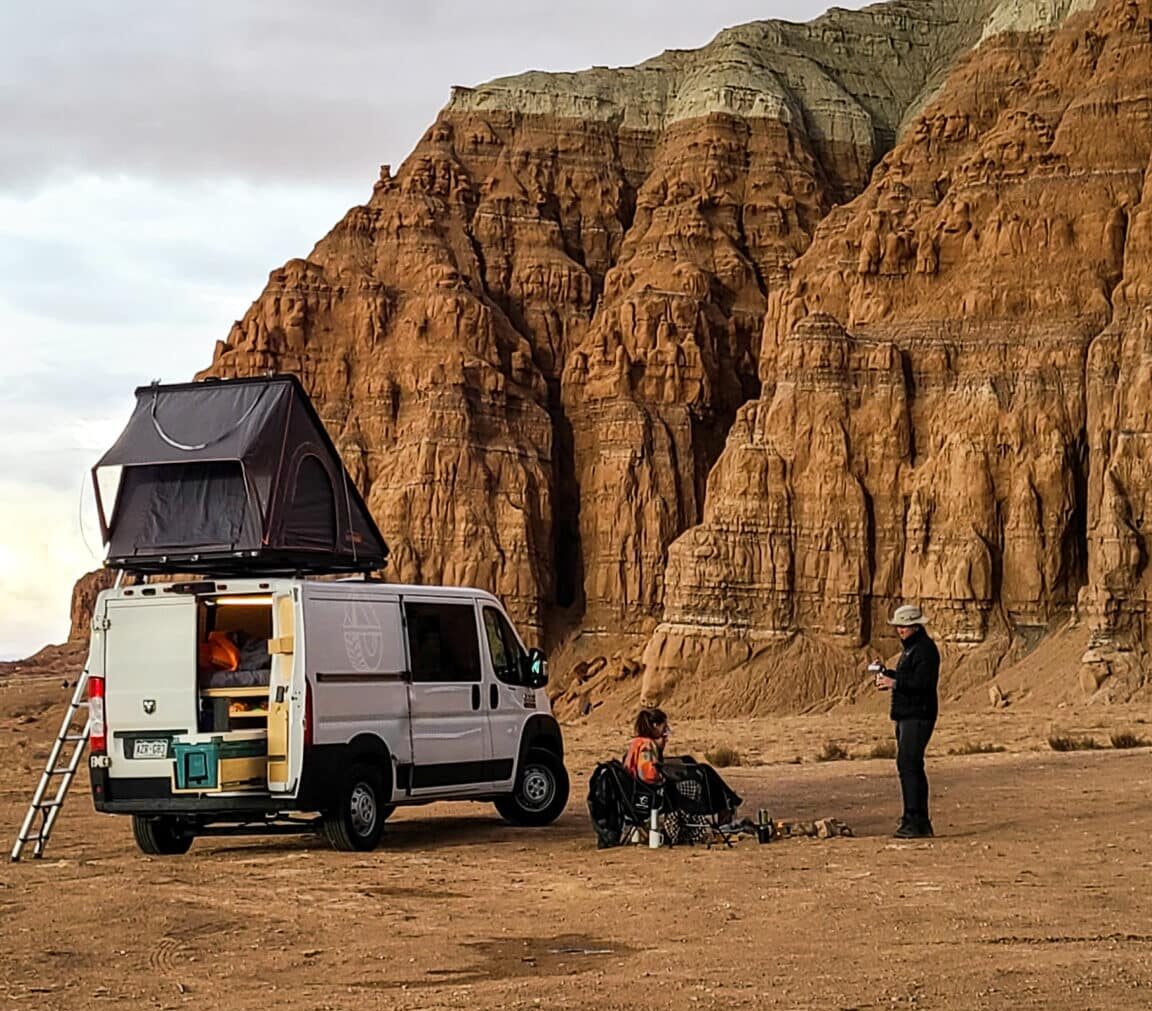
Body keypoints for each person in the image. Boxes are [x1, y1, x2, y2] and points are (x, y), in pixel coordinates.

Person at [871, 604, 940, 838]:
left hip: (918, 715)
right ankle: (917, 821)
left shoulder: (924, 650)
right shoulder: (913, 649)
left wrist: (895, 683)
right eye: (899, 625)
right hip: (908, 715)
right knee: (910, 766)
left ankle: (914, 820)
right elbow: (910, 678)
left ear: (916, 626)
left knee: (909, 765)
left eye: (905, 625)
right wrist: (889, 676)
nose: (900, 629)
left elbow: (922, 683)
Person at [623, 707, 669, 784]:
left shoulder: (637, 741)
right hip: (641, 786)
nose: (664, 733)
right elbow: (646, 773)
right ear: (655, 725)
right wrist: (661, 778)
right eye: (664, 728)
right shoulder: (646, 745)